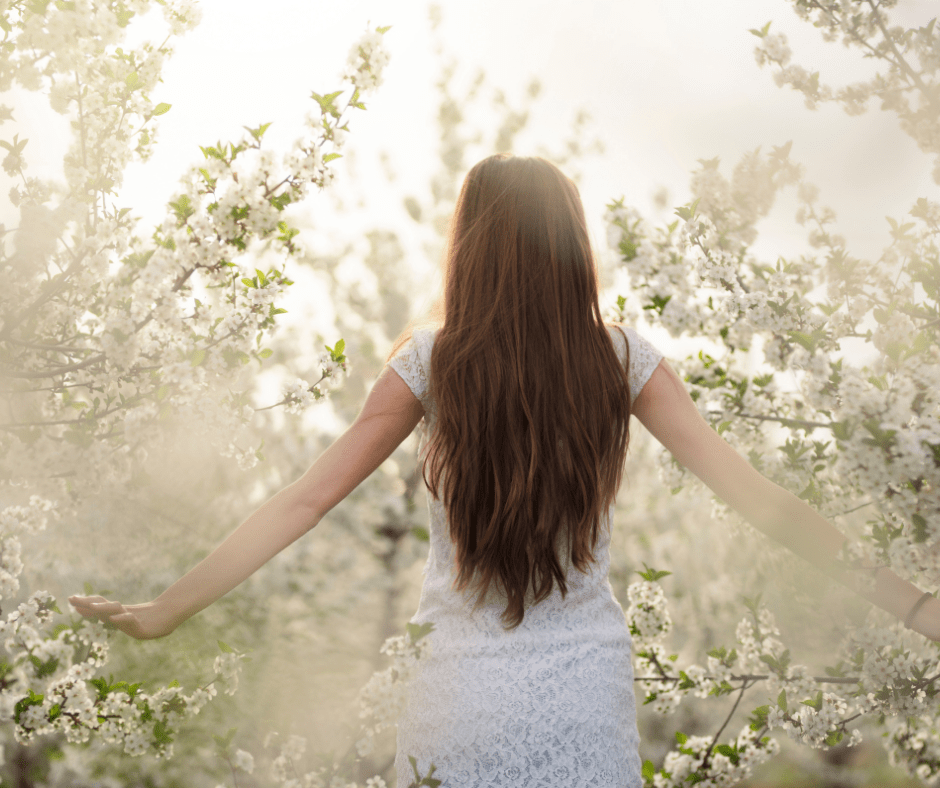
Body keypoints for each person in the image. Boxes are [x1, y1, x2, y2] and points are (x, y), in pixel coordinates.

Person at [70, 154, 940, 787]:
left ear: (471, 246)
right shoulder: (622, 359)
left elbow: (306, 499)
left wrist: (168, 609)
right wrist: (912, 604)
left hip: (457, 688)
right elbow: (762, 501)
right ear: (571, 246)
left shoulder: (431, 361)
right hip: (583, 690)